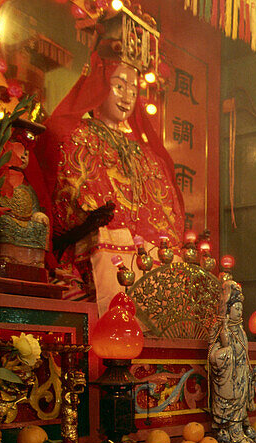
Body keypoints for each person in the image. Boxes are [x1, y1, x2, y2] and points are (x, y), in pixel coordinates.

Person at [26, 42, 185, 313]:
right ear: (99, 84)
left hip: (147, 265)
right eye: (119, 85)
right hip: (94, 262)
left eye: (134, 90)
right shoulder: (76, 137)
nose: (127, 96)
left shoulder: (149, 155)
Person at [205, 281, 256, 443]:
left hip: (240, 377)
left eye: (241, 308)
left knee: (240, 404)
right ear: (227, 309)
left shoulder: (241, 330)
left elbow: (244, 355)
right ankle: (227, 434)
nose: (239, 311)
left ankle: (237, 433)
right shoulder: (219, 328)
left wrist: (248, 372)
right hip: (225, 378)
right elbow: (213, 354)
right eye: (236, 308)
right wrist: (226, 350)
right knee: (228, 404)